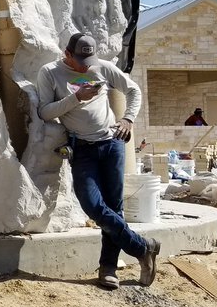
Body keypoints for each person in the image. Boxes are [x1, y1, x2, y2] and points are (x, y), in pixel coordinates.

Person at [37, 32, 160, 290]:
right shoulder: (49, 73)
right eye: (80, 61)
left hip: (112, 143)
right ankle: (142, 247)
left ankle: (108, 268)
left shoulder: (102, 67)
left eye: (89, 60)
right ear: (67, 54)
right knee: (93, 205)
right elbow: (45, 112)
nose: (87, 67)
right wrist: (75, 98)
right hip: (82, 149)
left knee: (114, 208)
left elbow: (133, 89)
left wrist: (127, 119)